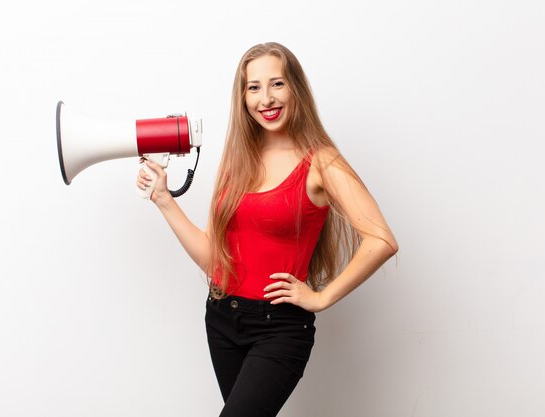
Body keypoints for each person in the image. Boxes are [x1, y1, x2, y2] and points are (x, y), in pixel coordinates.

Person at [137, 42, 398, 417]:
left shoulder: (322, 162)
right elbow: (215, 259)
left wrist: (321, 298)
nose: (266, 98)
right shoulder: (237, 161)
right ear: (242, 97)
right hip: (222, 318)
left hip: (279, 329)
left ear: (295, 89)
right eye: (253, 87)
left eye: (276, 84)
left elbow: (382, 239)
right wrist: (164, 199)